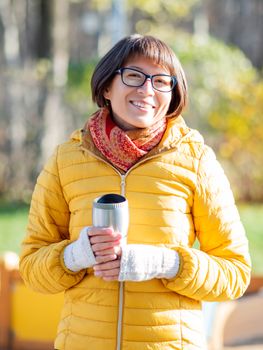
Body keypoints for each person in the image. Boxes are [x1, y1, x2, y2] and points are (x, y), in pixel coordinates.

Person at [19, 34, 251, 350]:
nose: (147, 90)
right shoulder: (66, 159)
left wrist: (163, 263)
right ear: (106, 87)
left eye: (161, 81)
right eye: (134, 76)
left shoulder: (197, 161)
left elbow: (235, 273)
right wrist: (77, 255)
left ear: (173, 93)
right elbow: (32, 268)